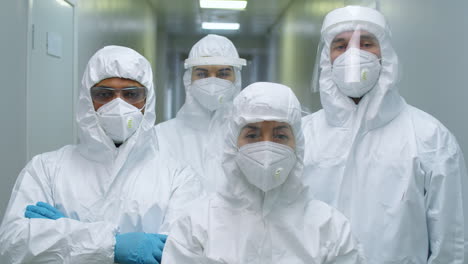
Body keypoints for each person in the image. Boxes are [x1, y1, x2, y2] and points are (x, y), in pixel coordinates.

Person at [0, 46, 203, 264]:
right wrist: (111, 245)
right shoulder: (46, 169)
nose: (118, 104)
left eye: (131, 94)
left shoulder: (178, 178)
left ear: (148, 100)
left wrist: (65, 235)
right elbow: (13, 245)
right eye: (104, 94)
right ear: (87, 99)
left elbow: (181, 255)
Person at [302, 6, 468, 263]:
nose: (353, 55)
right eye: (341, 46)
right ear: (327, 58)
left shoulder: (430, 137)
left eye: (366, 43)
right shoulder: (302, 135)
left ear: (386, 54)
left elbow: (450, 241)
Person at [161, 82, 366, 263]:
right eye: (252, 134)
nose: (266, 147)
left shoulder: (330, 228)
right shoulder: (196, 226)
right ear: (233, 144)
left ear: (298, 146)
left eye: (280, 135)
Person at [155, 34, 246, 193]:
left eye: (223, 74)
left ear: (236, 79)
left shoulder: (249, 135)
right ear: (189, 79)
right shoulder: (161, 137)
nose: (212, 83)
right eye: (202, 74)